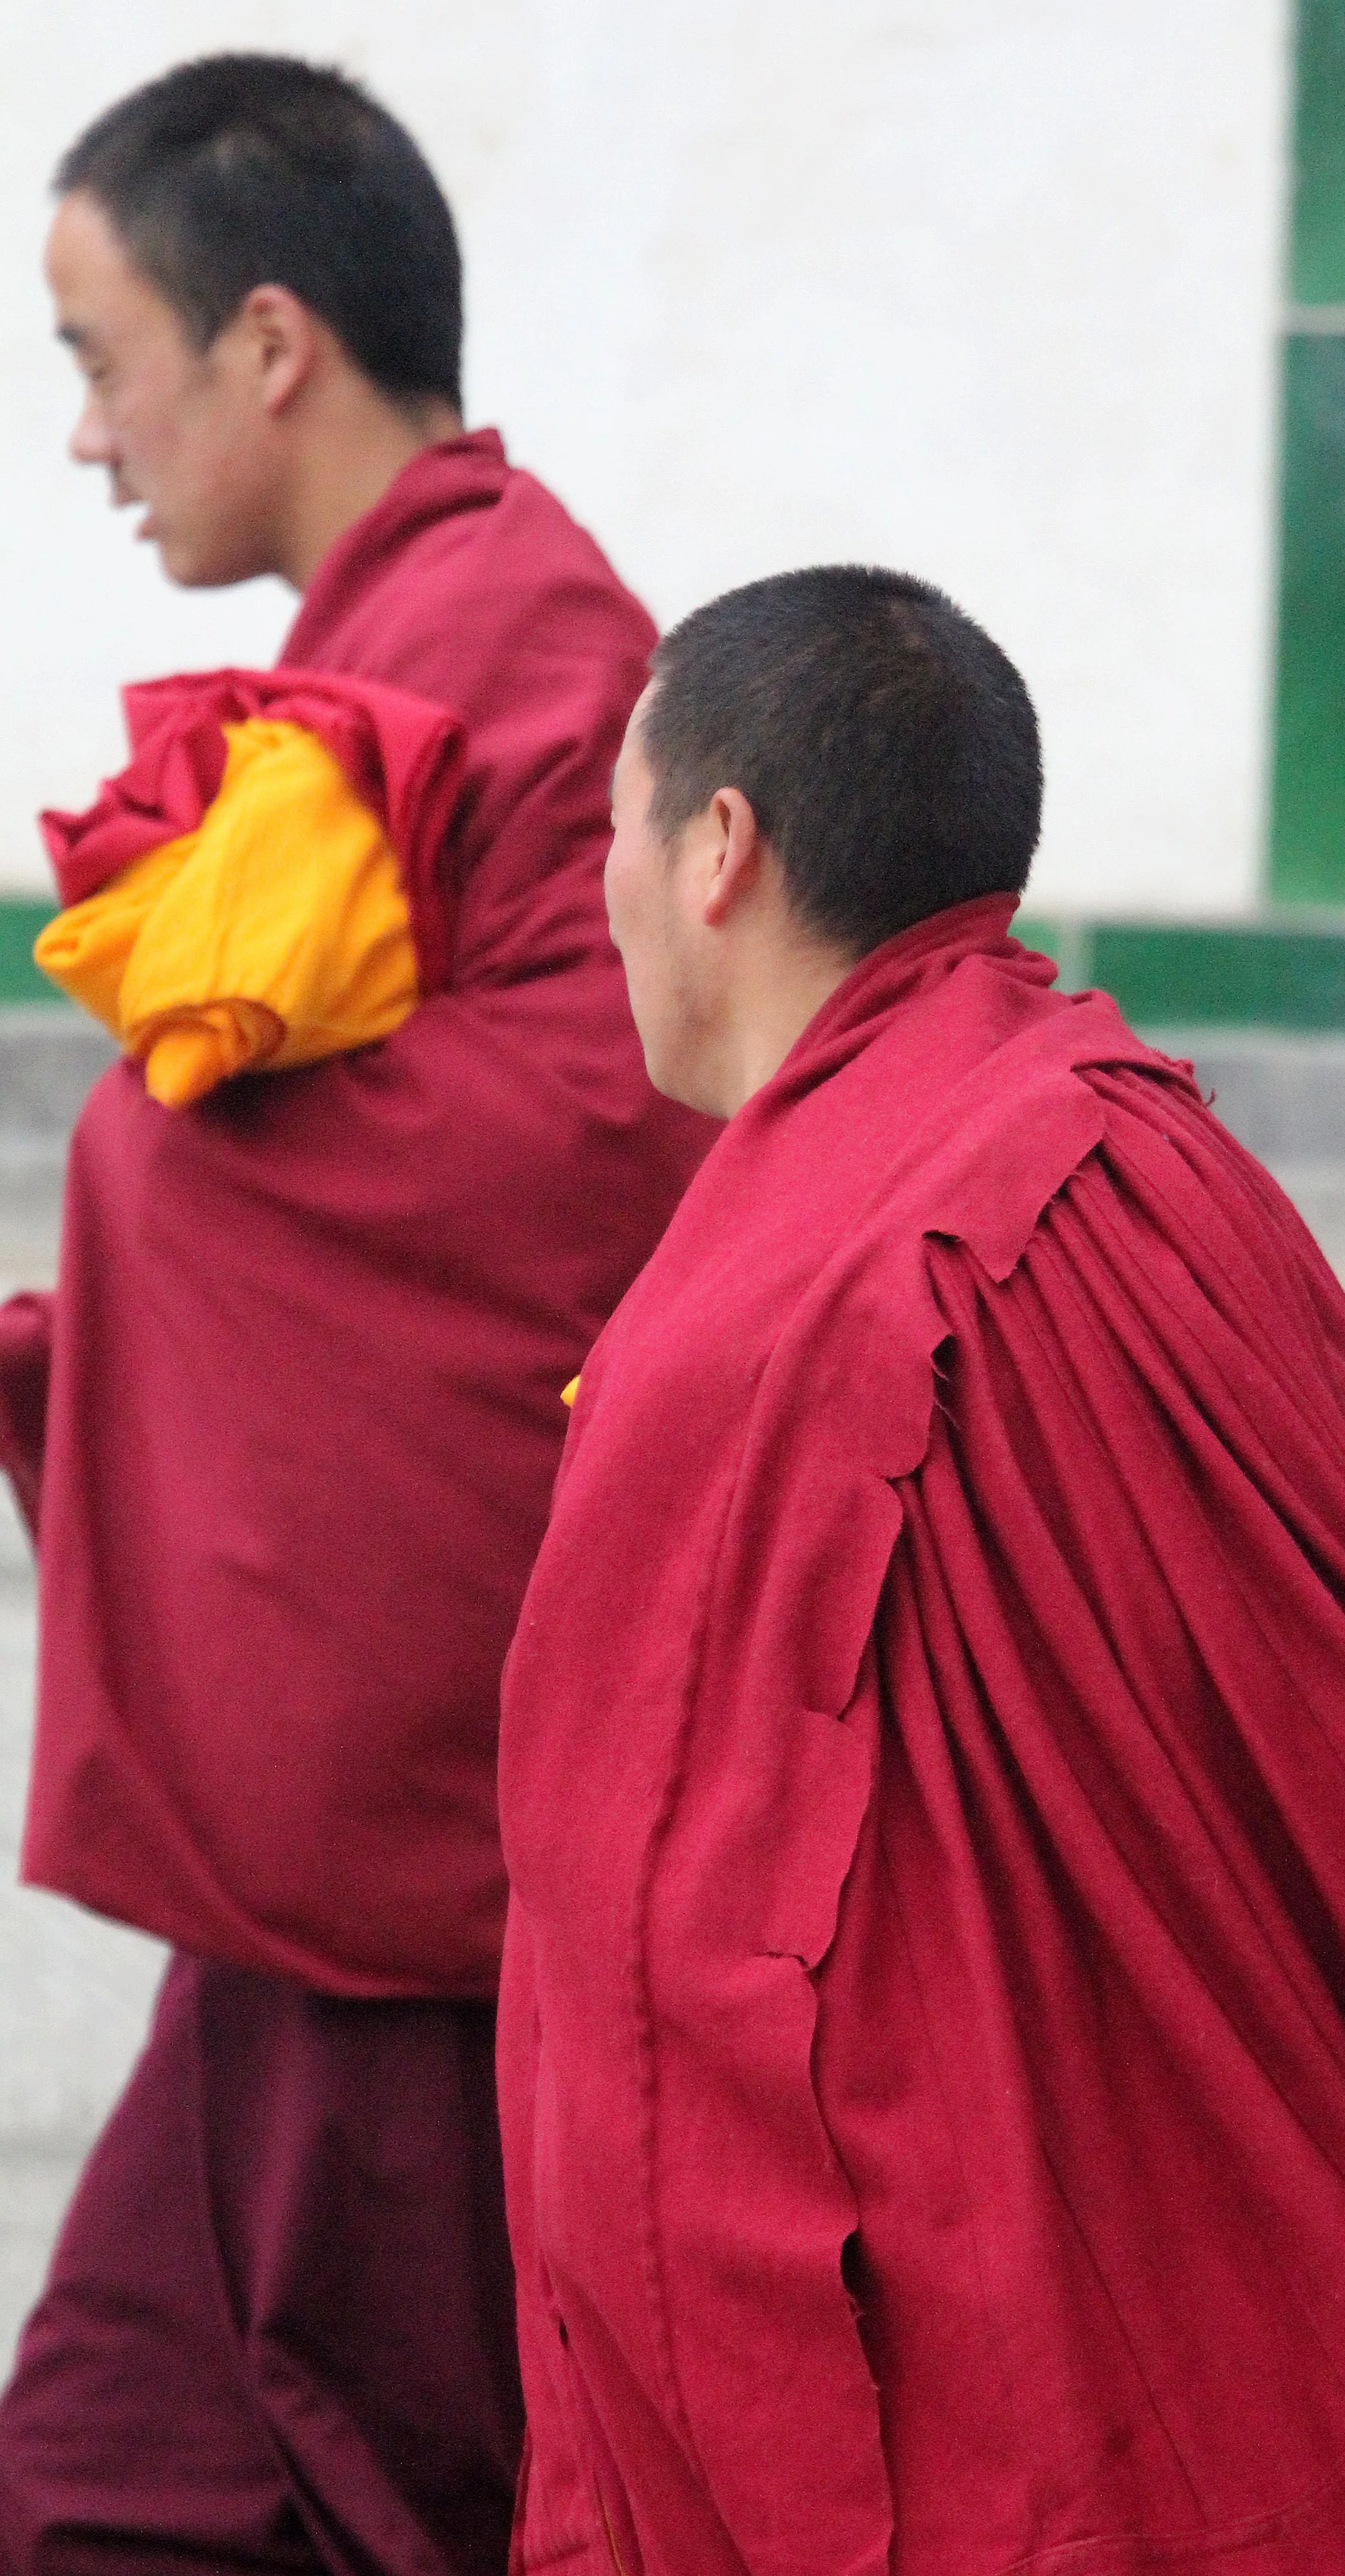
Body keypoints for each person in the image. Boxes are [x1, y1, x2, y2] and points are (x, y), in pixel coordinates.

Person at [496, 564, 1345, 2573]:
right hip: (1311, 2225)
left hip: (1004, 2343)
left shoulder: (762, 1318)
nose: (605, 897)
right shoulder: (1143, 1149)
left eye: (611, 832)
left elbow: (657, 1995)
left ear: (720, 850)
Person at [0, 55, 710, 2576]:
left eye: (100, 357)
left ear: (271, 342)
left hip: (419, 1846)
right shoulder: (411, 628)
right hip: (319, 1872)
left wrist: (148, 1227)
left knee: (414, 2490)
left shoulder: (525, 631)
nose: (84, 439)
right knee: (114, 2481)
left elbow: (602, 1160)